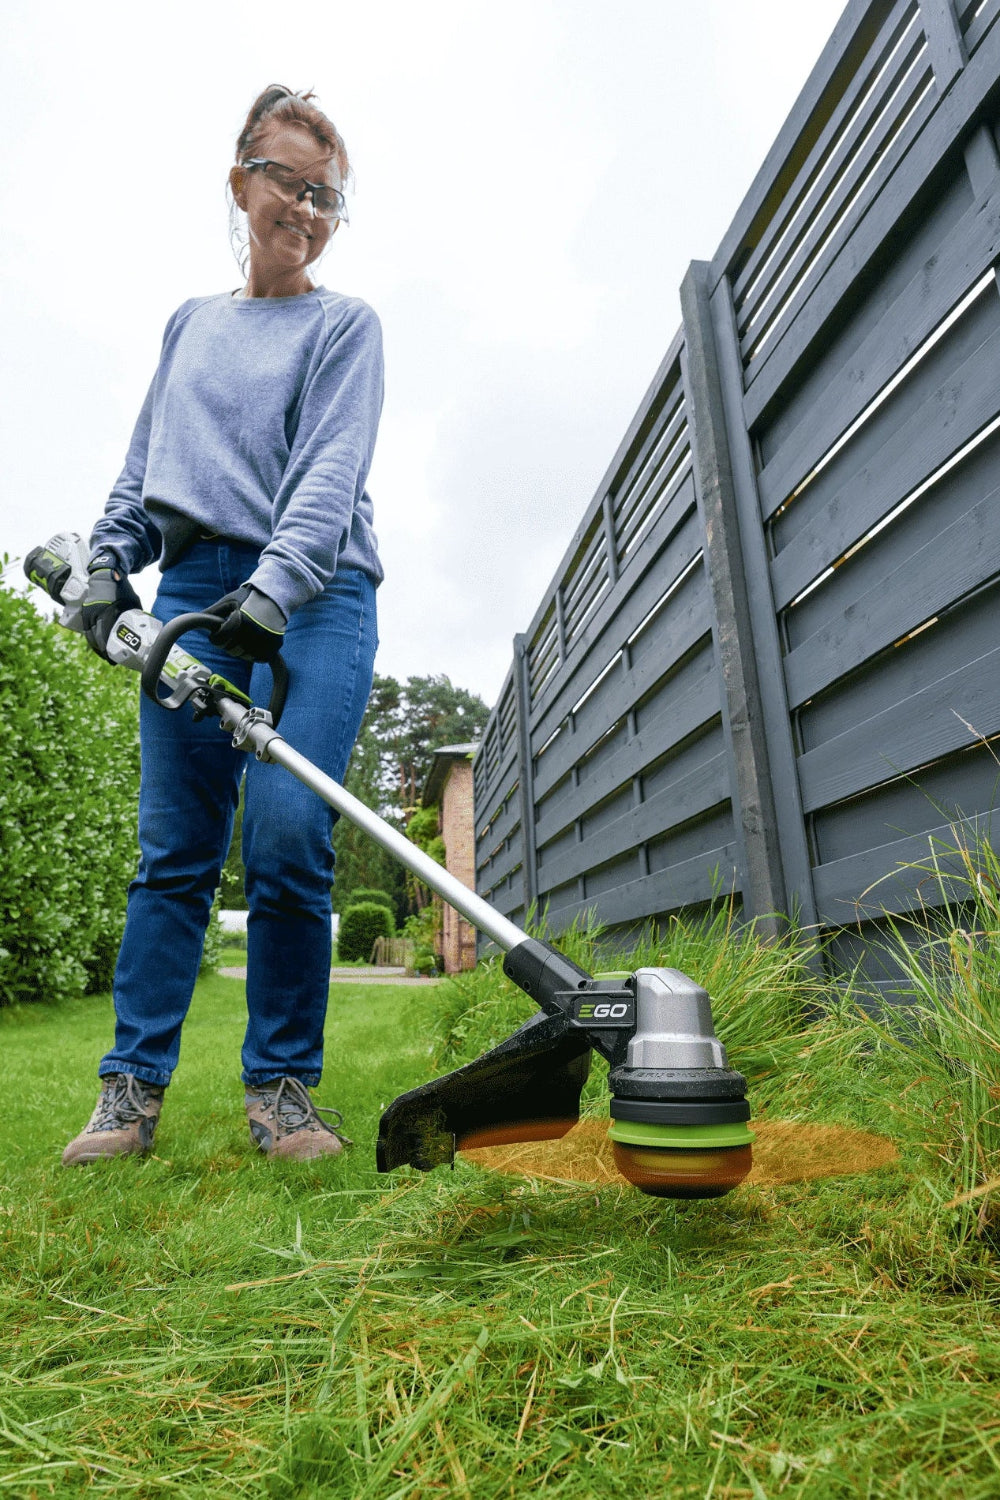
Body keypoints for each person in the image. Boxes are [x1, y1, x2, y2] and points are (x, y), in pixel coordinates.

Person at [61, 85, 383, 1166]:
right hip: (196, 591)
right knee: (174, 852)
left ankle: (282, 1093)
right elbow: (148, 467)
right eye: (289, 182)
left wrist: (276, 590)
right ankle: (129, 1094)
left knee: (288, 832)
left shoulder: (344, 326)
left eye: (327, 196)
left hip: (317, 596)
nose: (307, 209)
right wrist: (107, 564)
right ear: (241, 181)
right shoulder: (191, 324)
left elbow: (328, 472)